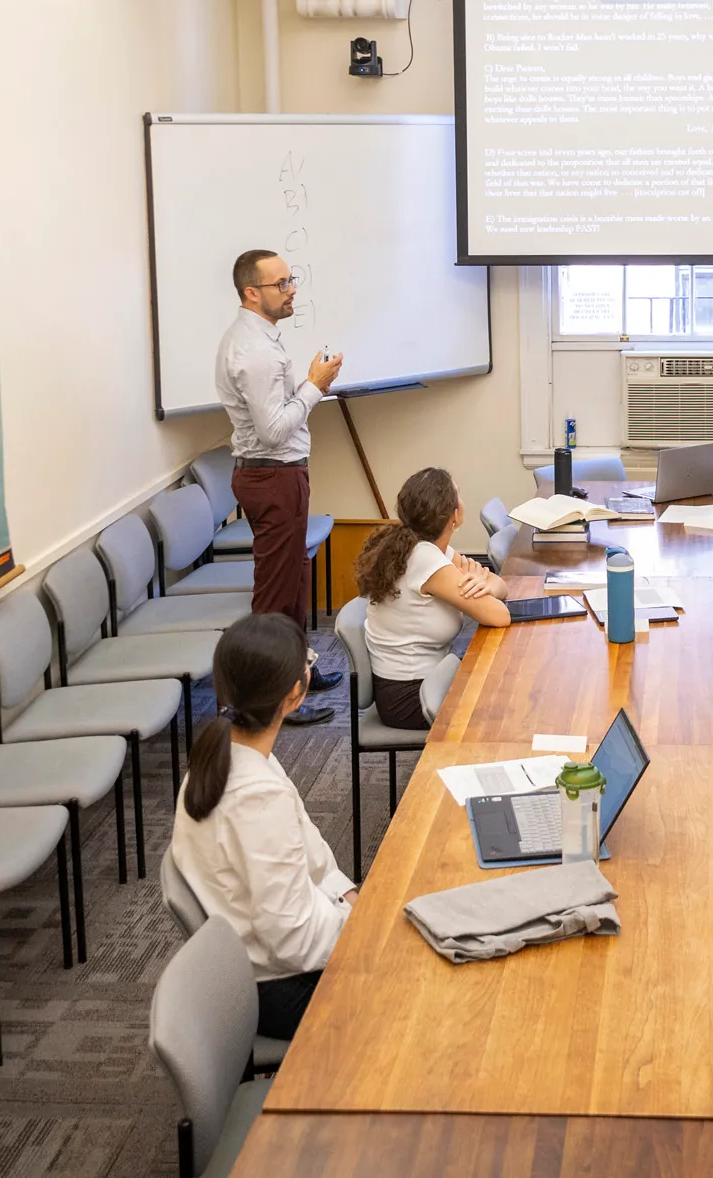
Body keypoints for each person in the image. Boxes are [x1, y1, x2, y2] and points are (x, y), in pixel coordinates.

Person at [169, 613, 355, 1039]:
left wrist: (348, 896)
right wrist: (365, 932)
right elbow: (292, 939)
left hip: (271, 953)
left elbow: (313, 854)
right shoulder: (255, 796)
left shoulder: (231, 756)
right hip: (277, 984)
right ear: (295, 693)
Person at [216, 247, 344, 724]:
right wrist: (314, 385)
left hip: (279, 473)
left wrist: (309, 385)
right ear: (253, 292)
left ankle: (295, 674)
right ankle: (268, 702)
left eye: (293, 281)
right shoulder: (253, 351)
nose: (292, 291)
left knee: (294, 582)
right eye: (282, 284)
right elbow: (272, 430)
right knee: (274, 593)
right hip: (271, 475)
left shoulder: (260, 338)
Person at [356, 468, 510, 730]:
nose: (463, 500)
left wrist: (485, 584)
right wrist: (484, 587)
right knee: (505, 700)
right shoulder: (424, 559)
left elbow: (501, 586)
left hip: (424, 680)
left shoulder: (425, 547)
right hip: (410, 696)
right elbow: (500, 615)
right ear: (453, 516)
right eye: (458, 494)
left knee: (502, 683)